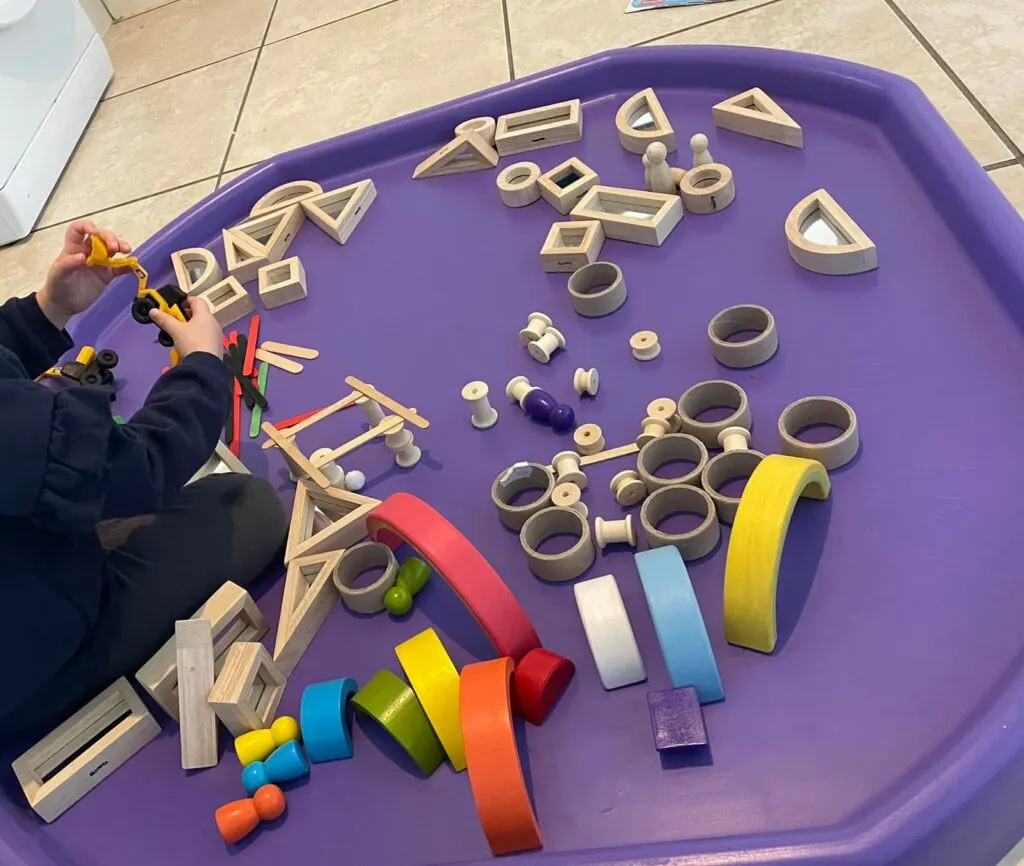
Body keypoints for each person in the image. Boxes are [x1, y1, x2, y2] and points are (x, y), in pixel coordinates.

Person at [0, 220, 287, 743]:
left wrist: (48, 309)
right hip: (37, 655)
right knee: (250, 506)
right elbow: (147, 464)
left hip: (23, 564)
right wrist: (203, 365)